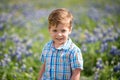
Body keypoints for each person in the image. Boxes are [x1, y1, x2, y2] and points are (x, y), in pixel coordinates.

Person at [38, 8, 83, 80]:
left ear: (70, 30)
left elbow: (76, 73)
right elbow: (44, 66)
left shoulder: (74, 51)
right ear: (49, 29)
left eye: (63, 31)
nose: (59, 34)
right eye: (55, 30)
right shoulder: (47, 47)